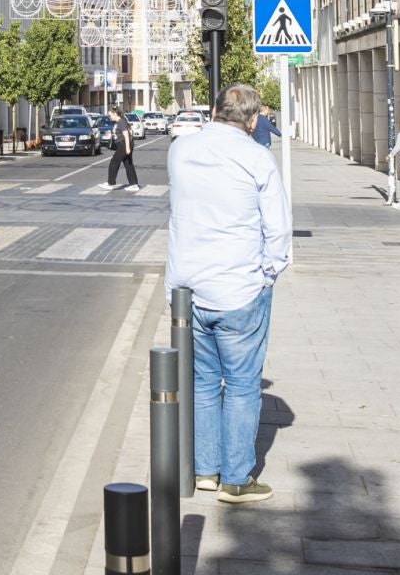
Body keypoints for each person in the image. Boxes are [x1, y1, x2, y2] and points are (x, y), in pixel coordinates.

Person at [166, 83, 292, 504]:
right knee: (240, 385)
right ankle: (236, 479)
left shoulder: (180, 150)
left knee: (202, 382)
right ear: (253, 120)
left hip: (189, 289)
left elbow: (178, 216)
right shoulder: (257, 157)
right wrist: (268, 274)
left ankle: (205, 470)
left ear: (215, 111)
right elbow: (278, 229)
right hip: (239, 288)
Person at [99, 107, 141, 193]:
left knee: (114, 162)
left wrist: (127, 148)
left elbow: (126, 134)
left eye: (110, 115)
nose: (109, 117)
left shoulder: (121, 121)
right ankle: (134, 184)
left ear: (115, 114)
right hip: (124, 145)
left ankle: (110, 183)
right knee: (128, 165)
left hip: (123, 145)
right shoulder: (121, 121)